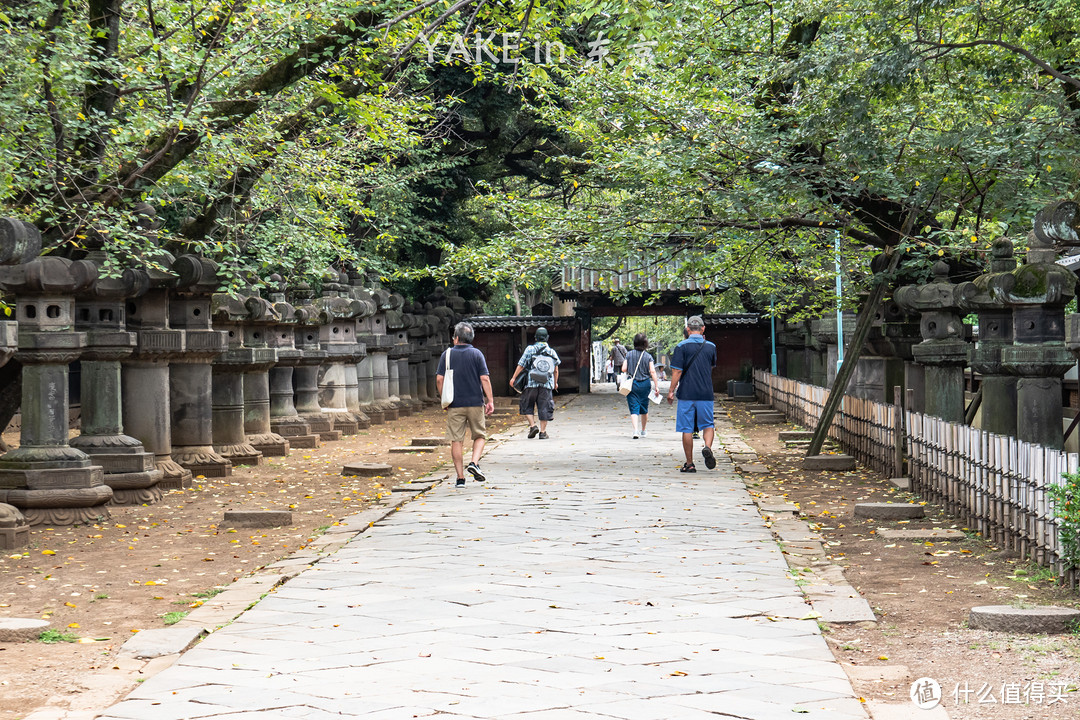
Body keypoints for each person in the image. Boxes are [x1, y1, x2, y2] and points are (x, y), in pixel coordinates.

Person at [436, 321, 495, 487]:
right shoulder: (477, 354)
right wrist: (490, 400)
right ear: (471, 338)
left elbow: (440, 379)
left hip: (454, 404)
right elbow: (484, 378)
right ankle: (474, 463)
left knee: (456, 440)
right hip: (475, 402)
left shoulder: (446, 355)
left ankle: (460, 478)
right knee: (480, 435)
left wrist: (444, 399)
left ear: (455, 338)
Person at [666, 315, 717, 472]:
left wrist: (671, 391)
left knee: (687, 428)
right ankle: (707, 447)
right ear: (703, 329)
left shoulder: (681, 347)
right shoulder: (711, 347)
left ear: (688, 330)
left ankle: (689, 464)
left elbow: (677, 372)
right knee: (708, 424)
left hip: (687, 393)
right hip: (706, 393)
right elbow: (712, 367)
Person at [509, 326, 561, 439]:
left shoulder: (529, 349)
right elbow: (556, 370)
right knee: (544, 407)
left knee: (527, 405)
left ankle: (533, 426)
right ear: (547, 338)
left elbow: (521, 364)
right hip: (546, 384)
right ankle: (543, 432)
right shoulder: (552, 352)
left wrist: (513, 378)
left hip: (530, 383)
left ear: (535, 338)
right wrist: (555, 383)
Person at [621, 332, 659, 439]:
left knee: (634, 408)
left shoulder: (629, 354)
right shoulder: (648, 356)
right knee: (644, 408)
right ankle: (643, 430)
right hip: (645, 384)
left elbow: (623, 369)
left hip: (632, 384)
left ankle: (635, 431)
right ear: (645, 343)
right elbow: (652, 371)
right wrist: (656, 386)